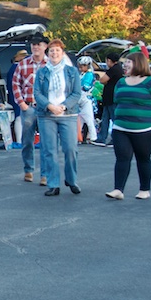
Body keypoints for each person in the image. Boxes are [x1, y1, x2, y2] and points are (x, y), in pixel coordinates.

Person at [105, 53, 151, 200]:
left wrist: (148, 113)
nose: (125, 65)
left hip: (145, 128)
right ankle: (118, 189)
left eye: (129, 62)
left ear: (139, 63)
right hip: (121, 127)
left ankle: (144, 189)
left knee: (143, 158)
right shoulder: (121, 82)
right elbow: (117, 99)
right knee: (122, 158)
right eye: (125, 62)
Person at [34, 38, 82, 197]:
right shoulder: (42, 72)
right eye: (52, 51)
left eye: (57, 51)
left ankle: (72, 179)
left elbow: (76, 93)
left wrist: (63, 106)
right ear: (47, 54)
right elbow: (37, 93)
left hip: (67, 114)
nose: (54, 53)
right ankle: (53, 183)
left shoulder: (71, 71)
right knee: (49, 150)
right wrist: (50, 106)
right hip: (47, 115)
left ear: (63, 53)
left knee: (70, 149)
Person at [11, 34, 48, 184]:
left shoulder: (51, 65)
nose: (36, 47)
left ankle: (45, 174)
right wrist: (21, 104)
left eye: (39, 44)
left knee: (47, 142)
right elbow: (15, 84)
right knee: (27, 140)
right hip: (28, 106)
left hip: (46, 108)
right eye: (33, 44)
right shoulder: (23, 64)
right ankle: (28, 170)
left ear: (45, 46)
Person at [97, 51, 124, 146]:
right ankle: (101, 138)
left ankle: (113, 138)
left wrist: (104, 81)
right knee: (106, 118)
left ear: (109, 60)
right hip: (110, 98)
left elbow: (102, 79)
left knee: (112, 119)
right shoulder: (119, 68)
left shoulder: (113, 69)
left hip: (111, 97)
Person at [5, 50, 28, 148]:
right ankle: (19, 140)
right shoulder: (17, 68)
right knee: (19, 118)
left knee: (19, 118)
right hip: (18, 96)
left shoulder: (13, 68)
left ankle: (20, 140)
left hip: (15, 96)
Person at [77, 56, 97, 145]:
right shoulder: (82, 74)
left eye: (83, 66)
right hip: (80, 98)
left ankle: (93, 137)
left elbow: (86, 86)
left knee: (89, 119)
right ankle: (77, 136)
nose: (81, 68)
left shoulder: (89, 74)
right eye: (80, 66)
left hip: (87, 98)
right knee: (80, 118)